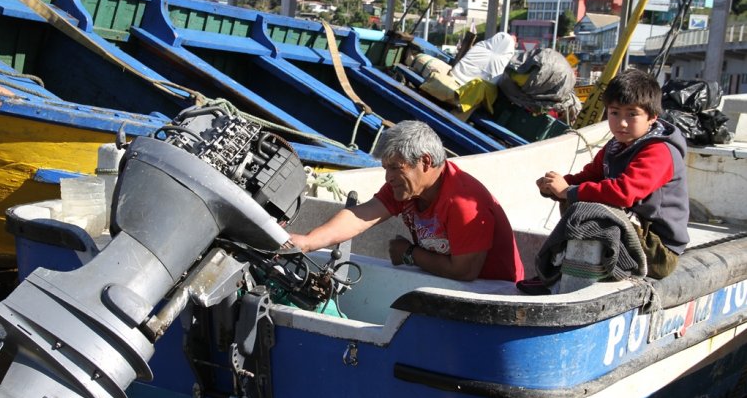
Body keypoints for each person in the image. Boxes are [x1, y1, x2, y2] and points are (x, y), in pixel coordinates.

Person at [291, 121, 525, 282]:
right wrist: (307, 242)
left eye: (395, 168)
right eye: (385, 168)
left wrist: (410, 254)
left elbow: (465, 272)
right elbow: (361, 215)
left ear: (425, 161)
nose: (388, 177)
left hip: (494, 293)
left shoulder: (463, 203)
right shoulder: (407, 188)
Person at [536, 69, 689, 279]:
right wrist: (555, 187)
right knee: (576, 199)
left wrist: (568, 191)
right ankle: (566, 271)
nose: (622, 122)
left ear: (652, 117)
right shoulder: (615, 146)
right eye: (615, 113)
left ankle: (584, 274)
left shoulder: (659, 151)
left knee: (585, 210)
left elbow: (623, 193)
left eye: (632, 114)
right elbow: (589, 176)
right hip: (634, 232)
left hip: (659, 251)